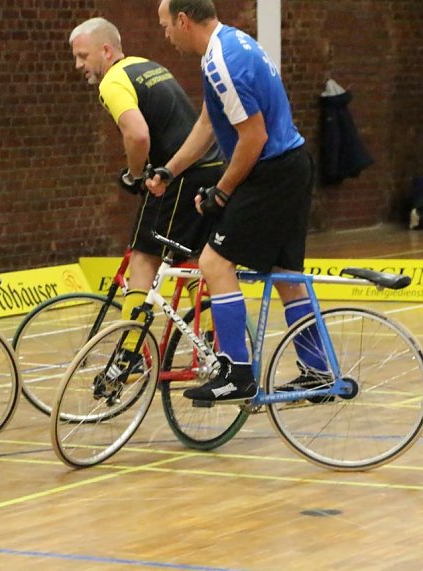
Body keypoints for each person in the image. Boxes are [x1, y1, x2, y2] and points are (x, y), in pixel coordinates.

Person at [150, 0, 324, 402]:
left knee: (214, 261)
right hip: (288, 165)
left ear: (182, 19)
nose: (166, 35)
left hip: (271, 170)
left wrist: (222, 192)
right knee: (285, 276)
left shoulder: (221, 62)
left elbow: (253, 137)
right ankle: (318, 372)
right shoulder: (230, 43)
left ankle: (236, 372)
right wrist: (170, 170)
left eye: (164, 26)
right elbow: (211, 122)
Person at [69, 17, 224, 378]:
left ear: (106, 51)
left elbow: (137, 135)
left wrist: (135, 175)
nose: (79, 65)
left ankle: (128, 354)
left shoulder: (113, 81)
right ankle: (212, 345)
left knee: (143, 257)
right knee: (193, 261)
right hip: (209, 168)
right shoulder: (148, 66)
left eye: (82, 56)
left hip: (177, 175)